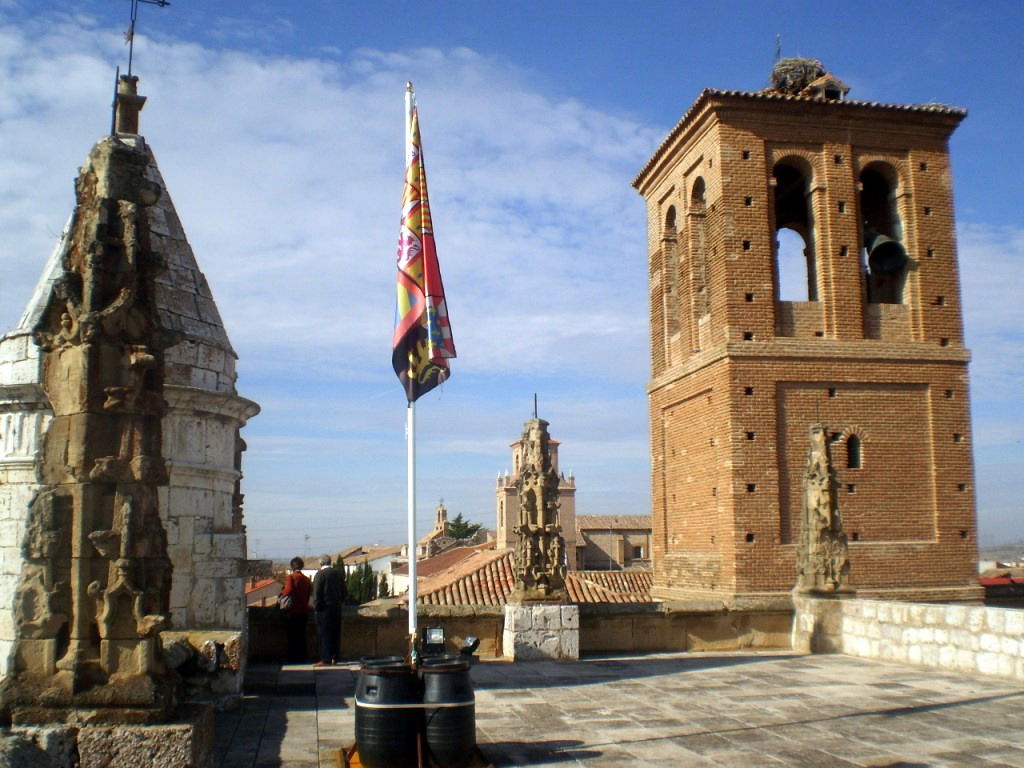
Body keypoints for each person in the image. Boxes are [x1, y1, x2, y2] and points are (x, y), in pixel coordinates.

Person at [312, 553, 346, 666]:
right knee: (335, 633)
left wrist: (316, 607)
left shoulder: (320, 574)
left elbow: (316, 593)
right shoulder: (338, 574)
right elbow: (344, 592)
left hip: (323, 608)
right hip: (336, 607)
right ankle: (335, 657)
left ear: (321, 563)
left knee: (324, 633)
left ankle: (326, 658)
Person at [280, 557, 312, 664]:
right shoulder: (307, 579)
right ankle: (302, 657)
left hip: (293, 611)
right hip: (303, 610)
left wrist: (282, 594)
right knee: (301, 635)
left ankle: (292, 657)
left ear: (292, 566)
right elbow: (308, 595)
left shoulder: (291, 577)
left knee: (292, 635)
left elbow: (288, 591)